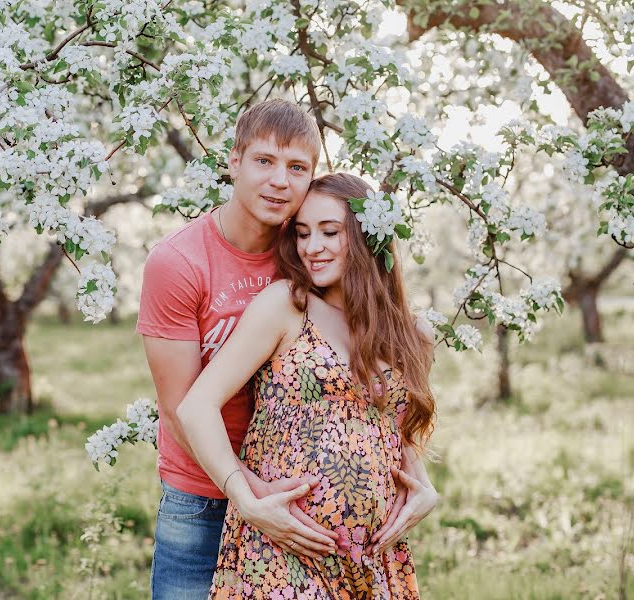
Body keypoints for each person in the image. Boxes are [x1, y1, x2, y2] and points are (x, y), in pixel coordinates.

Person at [177, 173, 440, 599]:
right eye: (302, 233)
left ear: (366, 236)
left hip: (372, 559)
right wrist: (247, 500)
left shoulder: (411, 333)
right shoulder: (286, 305)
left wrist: (425, 489)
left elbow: (396, 429)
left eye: (329, 232)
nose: (311, 247)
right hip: (282, 551)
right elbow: (196, 407)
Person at [137, 99, 341, 599]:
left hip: (294, 492)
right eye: (264, 161)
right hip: (202, 496)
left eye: (297, 168)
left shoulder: (312, 255)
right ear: (233, 161)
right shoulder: (179, 263)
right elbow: (178, 406)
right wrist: (247, 493)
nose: (279, 181)